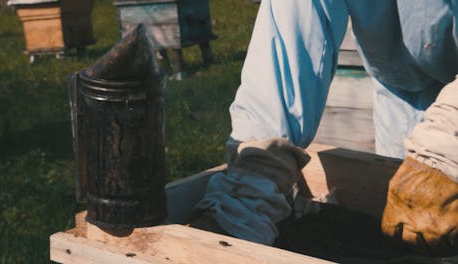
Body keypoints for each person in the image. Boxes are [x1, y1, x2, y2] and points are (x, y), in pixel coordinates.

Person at [192, 0, 458, 256]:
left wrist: (447, 145)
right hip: (402, 92)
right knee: (409, 231)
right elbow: (294, 23)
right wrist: (252, 184)